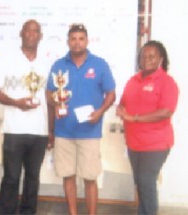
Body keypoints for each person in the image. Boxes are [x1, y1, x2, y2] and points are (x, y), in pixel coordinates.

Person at [46, 24, 116, 215]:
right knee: (68, 176)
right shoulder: (58, 65)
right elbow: (49, 93)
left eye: (81, 38)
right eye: (73, 38)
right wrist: (55, 104)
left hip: (90, 132)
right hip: (64, 131)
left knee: (90, 178)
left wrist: (100, 112)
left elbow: (111, 94)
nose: (77, 42)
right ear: (68, 41)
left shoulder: (99, 64)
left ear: (87, 40)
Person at [0, 19, 50, 215]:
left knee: (33, 178)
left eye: (36, 31)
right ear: (21, 33)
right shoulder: (7, 59)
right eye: (28, 30)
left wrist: (51, 130)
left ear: (40, 36)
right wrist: (16, 103)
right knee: (11, 177)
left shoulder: (47, 63)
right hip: (14, 130)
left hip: (40, 131)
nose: (32, 34)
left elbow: (51, 99)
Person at [116, 40, 179, 215]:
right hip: (134, 142)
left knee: (146, 181)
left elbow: (166, 111)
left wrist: (134, 118)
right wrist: (120, 109)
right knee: (140, 181)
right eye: (144, 56)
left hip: (156, 143)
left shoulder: (167, 82)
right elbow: (124, 103)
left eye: (152, 56)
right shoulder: (133, 80)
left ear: (160, 59)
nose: (147, 59)